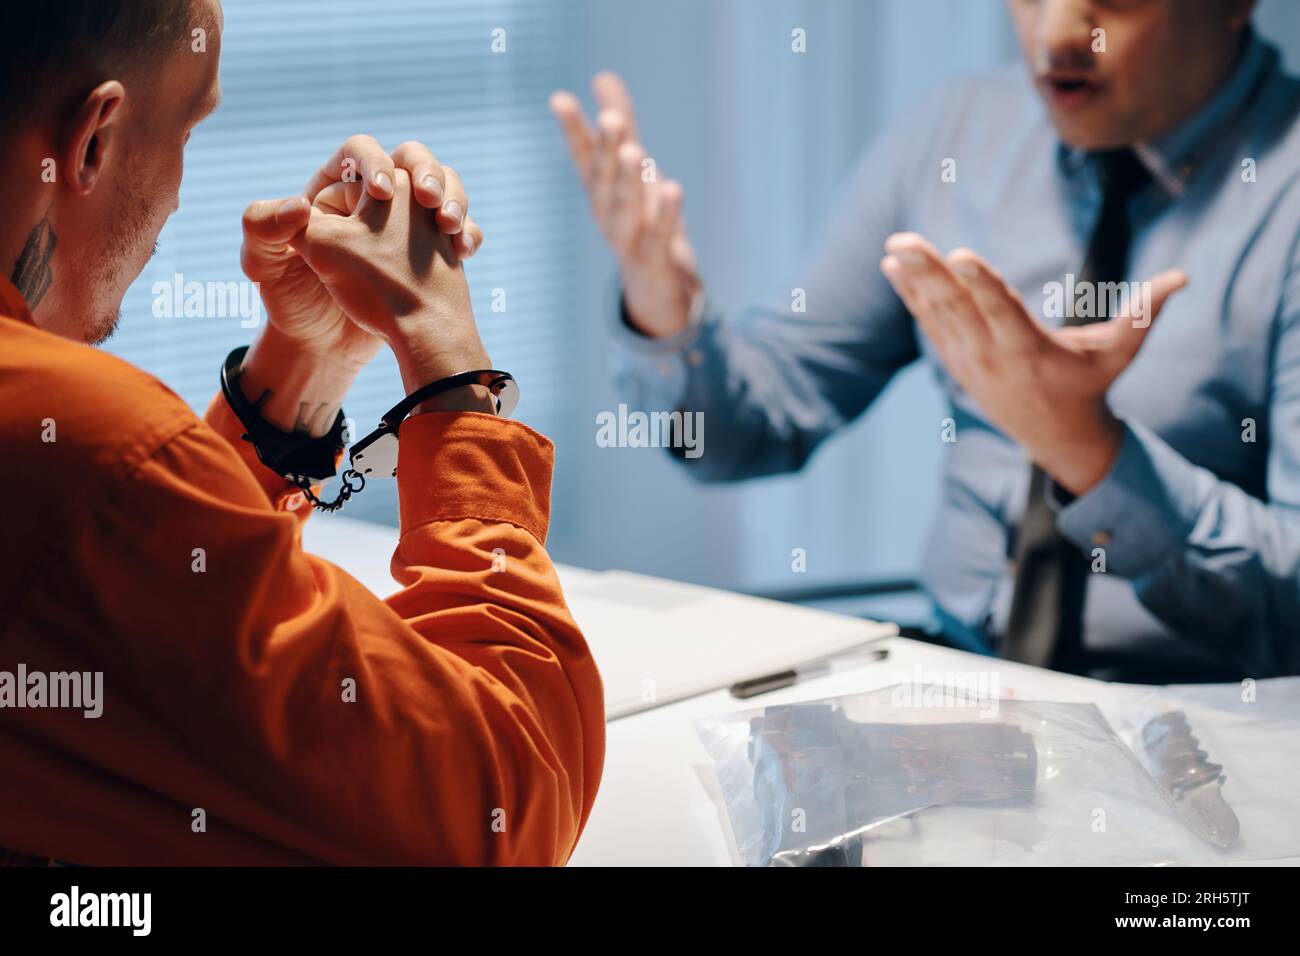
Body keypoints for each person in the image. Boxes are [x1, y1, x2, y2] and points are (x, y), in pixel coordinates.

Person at [0, 0, 603, 865]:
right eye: (188, 129)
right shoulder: (85, 464)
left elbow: (140, 637)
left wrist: (308, 361)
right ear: (92, 141)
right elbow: (504, 798)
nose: (176, 196)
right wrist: (453, 373)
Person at [551, 0, 1300, 682]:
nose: (1059, 34)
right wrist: (665, 309)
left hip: (1210, 727)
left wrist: (1090, 453)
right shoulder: (959, 132)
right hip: (955, 685)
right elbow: (745, 433)